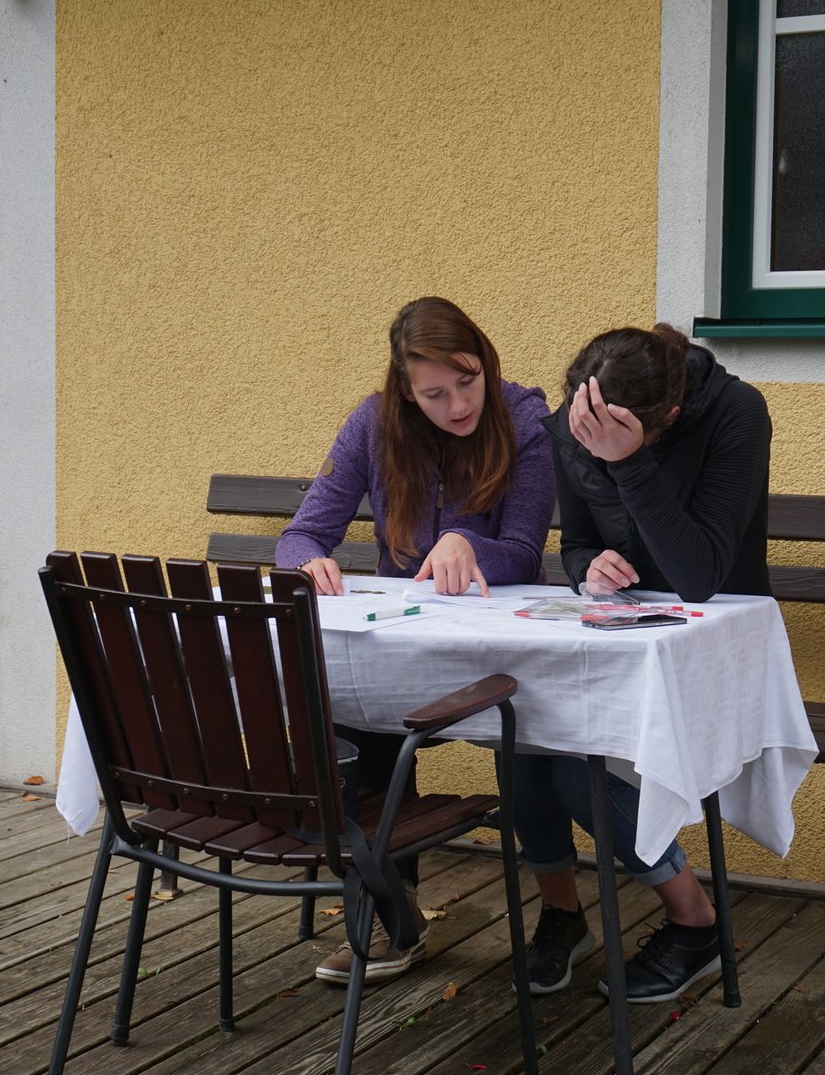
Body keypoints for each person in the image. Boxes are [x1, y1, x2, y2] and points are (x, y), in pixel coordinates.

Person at [275, 295, 556, 985]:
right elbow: (303, 532)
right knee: (352, 717)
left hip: (496, 646)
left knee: (531, 745)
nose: (457, 404)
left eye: (468, 381)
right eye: (435, 393)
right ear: (405, 390)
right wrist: (306, 562)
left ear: (485, 364)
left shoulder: (525, 420)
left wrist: (468, 543)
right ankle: (391, 917)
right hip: (402, 645)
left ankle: (560, 914)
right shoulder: (372, 424)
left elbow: (525, 551)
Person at [513, 321, 771, 1002]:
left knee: (577, 765)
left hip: (712, 652)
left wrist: (629, 465)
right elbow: (576, 544)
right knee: (519, 737)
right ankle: (564, 916)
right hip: (616, 642)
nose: (588, 443)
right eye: (583, 427)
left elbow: (699, 575)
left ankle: (696, 923)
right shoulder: (576, 419)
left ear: (671, 416)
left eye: (612, 437)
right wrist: (586, 568)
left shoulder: (736, 413)